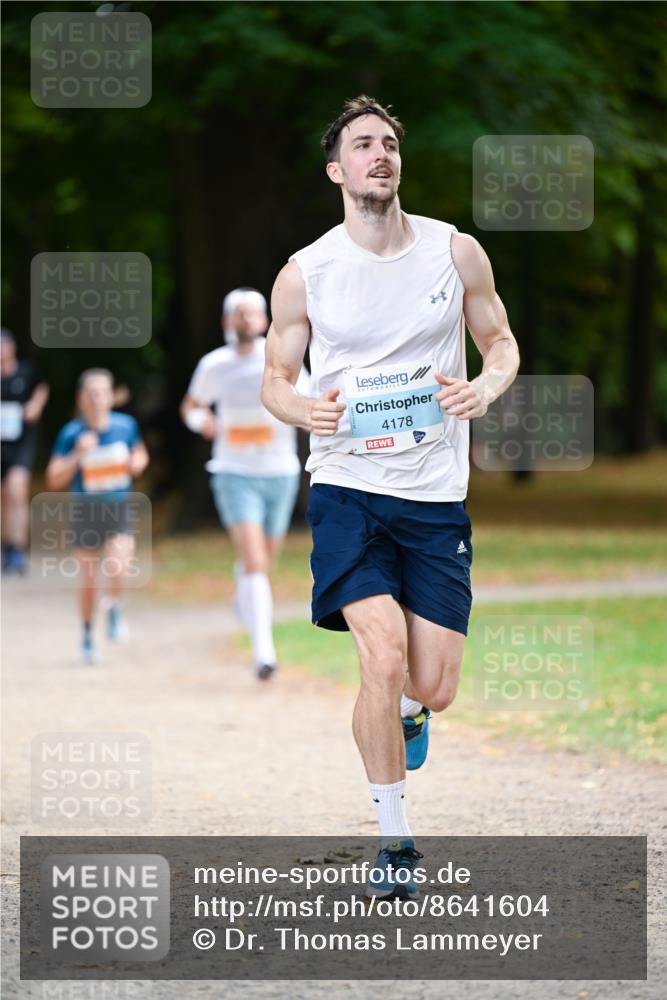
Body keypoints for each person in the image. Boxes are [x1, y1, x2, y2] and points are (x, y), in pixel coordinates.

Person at [261, 96, 520, 897]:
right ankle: (394, 840)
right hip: (345, 487)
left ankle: (411, 713)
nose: (380, 155)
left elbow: (500, 341)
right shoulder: (307, 271)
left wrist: (486, 386)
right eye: (362, 145)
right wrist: (303, 408)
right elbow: (274, 379)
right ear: (337, 170)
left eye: (389, 144)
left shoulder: (455, 252)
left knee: (431, 683)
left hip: (434, 495)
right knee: (381, 654)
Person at [181, 288, 307, 681]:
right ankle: (264, 652)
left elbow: (310, 400)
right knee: (256, 561)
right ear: (226, 322)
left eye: (252, 315)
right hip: (234, 472)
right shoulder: (214, 365)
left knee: (263, 564)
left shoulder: (285, 361)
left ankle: (245, 590)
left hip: (280, 472)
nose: (246, 321)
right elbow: (191, 405)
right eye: (238, 315)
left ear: (266, 321)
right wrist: (201, 422)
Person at [46, 369, 149, 664]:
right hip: (85, 511)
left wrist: (137, 463)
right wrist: (78, 454)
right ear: (82, 398)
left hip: (117, 508)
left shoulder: (125, 426)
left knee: (119, 567)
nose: (97, 399)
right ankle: (88, 634)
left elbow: (140, 454)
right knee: (89, 580)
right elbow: (54, 478)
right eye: (91, 393)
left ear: (111, 396)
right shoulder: (71, 433)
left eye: (102, 392)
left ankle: (114, 606)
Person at [0, 328, 49, 575]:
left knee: (16, 491)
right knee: (3, 498)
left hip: (21, 442)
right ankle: (6, 545)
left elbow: (42, 388)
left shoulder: (26, 371)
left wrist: (35, 406)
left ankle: (17, 548)